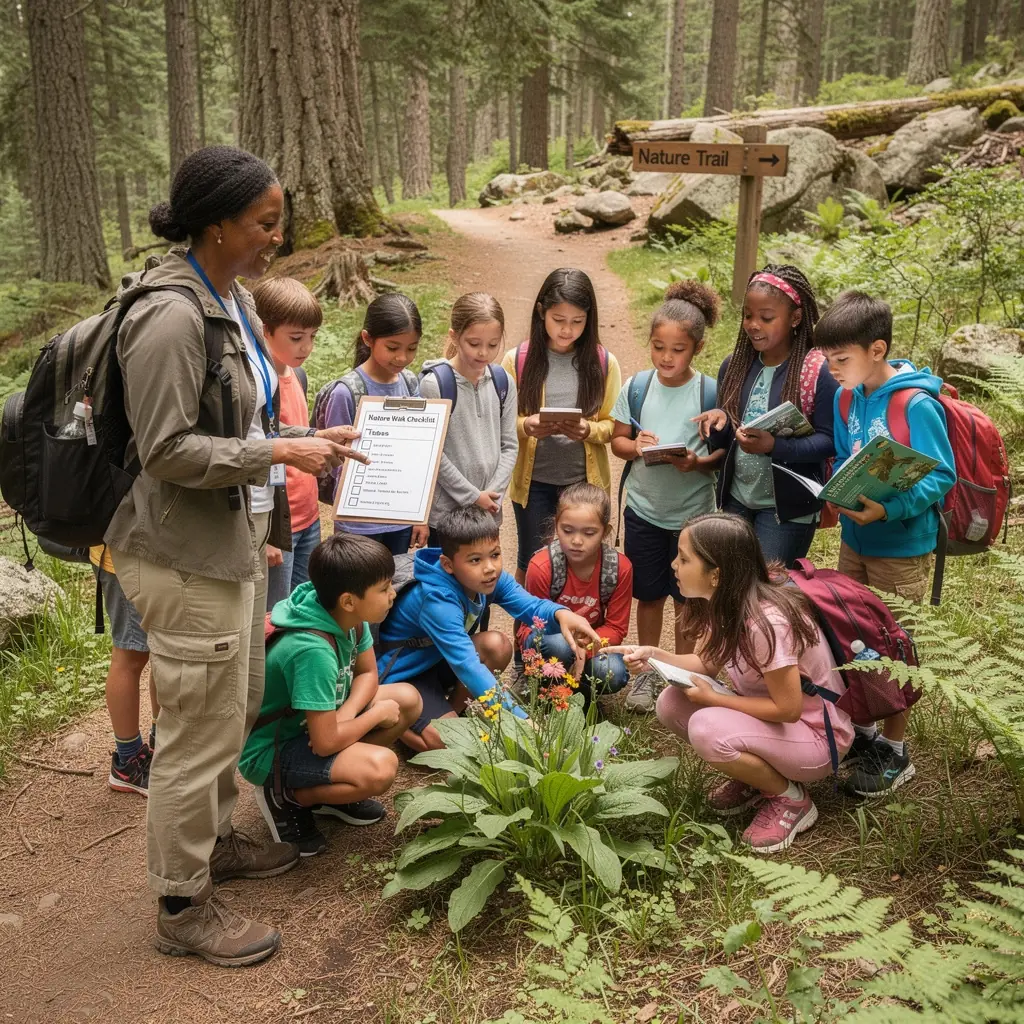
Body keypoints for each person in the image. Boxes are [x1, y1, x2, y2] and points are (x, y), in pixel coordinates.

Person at [107, 144, 365, 967]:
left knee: (234, 708)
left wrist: (297, 438)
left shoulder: (224, 301)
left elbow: (235, 425)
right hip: (185, 557)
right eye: (263, 222)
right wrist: (278, 457)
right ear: (215, 224)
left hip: (232, 546)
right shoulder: (172, 314)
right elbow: (166, 449)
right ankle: (182, 905)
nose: (275, 238)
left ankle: (215, 842)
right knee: (195, 732)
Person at [611, 512, 853, 854]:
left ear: (716, 575)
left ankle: (791, 800)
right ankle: (755, 778)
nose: (674, 565)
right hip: (782, 725)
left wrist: (715, 699)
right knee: (671, 702)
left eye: (684, 558)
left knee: (708, 727)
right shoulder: (726, 602)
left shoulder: (766, 623)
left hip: (817, 738)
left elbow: (788, 708)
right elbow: (706, 664)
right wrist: (653, 655)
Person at [815, 290, 956, 798]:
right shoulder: (845, 396)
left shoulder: (915, 403)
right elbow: (846, 454)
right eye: (827, 359)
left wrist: (889, 508)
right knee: (850, 634)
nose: (832, 369)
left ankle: (896, 751)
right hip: (855, 538)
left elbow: (942, 475)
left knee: (896, 644)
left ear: (877, 350)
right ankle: (867, 732)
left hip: (900, 547)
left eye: (841, 359)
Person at [240, 534, 422, 855]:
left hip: (316, 725)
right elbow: (325, 742)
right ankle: (289, 796)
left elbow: (367, 674)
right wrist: (374, 715)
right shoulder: (313, 651)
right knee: (380, 768)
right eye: (384, 589)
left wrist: (348, 713)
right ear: (349, 600)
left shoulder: (348, 617)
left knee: (407, 699)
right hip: (272, 750)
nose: (393, 594)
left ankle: (331, 787)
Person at [377, 507, 602, 752]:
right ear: (448, 565)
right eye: (475, 560)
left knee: (498, 645)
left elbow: (530, 606)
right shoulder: (436, 600)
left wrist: (562, 614)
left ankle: (453, 711)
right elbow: (468, 666)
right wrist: (521, 720)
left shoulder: (487, 579)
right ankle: (403, 725)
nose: (489, 568)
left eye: (494, 555)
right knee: (447, 743)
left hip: (439, 659)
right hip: (405, 673)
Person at [610, 280, 724, 712]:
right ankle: (647, 672)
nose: (666, 357)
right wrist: (636, 446)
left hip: (693, 517)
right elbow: (619, 441)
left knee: (689, 599)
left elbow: (722, 455)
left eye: (677, 350)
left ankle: (680, 674)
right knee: (650, 593)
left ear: (695, 348)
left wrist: (697, 463)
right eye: (659, 347)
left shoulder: (709, 392)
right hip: (644, 510)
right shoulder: (638, 387)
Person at [699, 265, 838, 567]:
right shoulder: (733, 367)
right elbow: (726, 440)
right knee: (731, 587)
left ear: (795, 318)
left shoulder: (816, 372)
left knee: (767, 598)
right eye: (748, 315)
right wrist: (719, 423)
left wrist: (774, 447)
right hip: (737, 500)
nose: (753, 324)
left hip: (786, 511)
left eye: (766, 317)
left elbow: (830, 441)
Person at [502, 268, 622, 584]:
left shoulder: (603, 363)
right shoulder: (517, 360)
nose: (567, 330)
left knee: (580, 565)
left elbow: (613, 423)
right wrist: (526, 425)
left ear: (589, 319)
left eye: (577, 322)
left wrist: (589, 431)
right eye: (559, 320)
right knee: (533, 563)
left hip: (583, 483)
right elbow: (500, 422)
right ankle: (527, 632)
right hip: (534, 482)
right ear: (541, 312)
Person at [319, 293, 429, 554]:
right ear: (368, 339)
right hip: (358, 525)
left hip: (400, 518)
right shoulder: (346, 392)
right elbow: (335, 463)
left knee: (397, 588)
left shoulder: (410, 383)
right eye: (393, 348)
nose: (402, 357)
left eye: (411, 348)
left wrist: (420, 514)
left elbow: (419, 456)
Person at [517, 483, 631, 707]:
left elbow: (616, 628)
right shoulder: (542, 566)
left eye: (589, 533)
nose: (577, 541)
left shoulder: (619, 568)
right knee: (558, 645)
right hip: (550, 639)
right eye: (567, 530)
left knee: (613, 672)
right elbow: (530, 625)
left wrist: (584, 648)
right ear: (556, 525)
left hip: (591, 642)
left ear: (605, 532)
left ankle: (579, 691)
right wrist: (570, 645)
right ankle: (545, 687)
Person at [419, 293, 517, 540]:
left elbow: (510, 445)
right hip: (446, 518)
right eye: (474, 343)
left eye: (493, 344)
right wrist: (473, 496)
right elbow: (433, 453)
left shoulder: (503, 382)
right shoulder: (434, 385)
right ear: (454, 336)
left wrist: (493, 493)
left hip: (489, 514)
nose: (484, 353)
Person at [252, 276, 323, 610]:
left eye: (311, 337)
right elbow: (258, 453)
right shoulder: (257, 386)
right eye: (296, 338)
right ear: (265, 330)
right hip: (277, 525)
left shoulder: (298, 375)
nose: (306, 347)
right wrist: (267, 535)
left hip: (308, 517)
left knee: (307, 607)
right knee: (275, 617)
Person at [91, 545, 158, 796]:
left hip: (147, 555)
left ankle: (162, 742)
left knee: (162, 649)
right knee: (130, 655)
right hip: (122, 557)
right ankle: (128, 764)